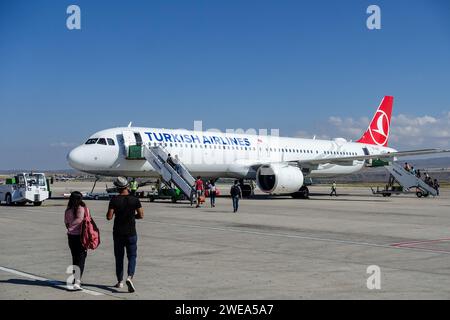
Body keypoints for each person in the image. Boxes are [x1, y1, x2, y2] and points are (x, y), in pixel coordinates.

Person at [107, 177, 144, 293]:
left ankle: (120, 282)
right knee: (132, 256)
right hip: (131, 232)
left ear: (117, 187)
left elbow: (109, 217)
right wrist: (133, 217)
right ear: (127, 186)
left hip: (118, 233)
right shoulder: (134, 199)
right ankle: (130, 277)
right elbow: (141, 215)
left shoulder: (114, 199)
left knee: (119, 257)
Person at [64, 191, 88, 291]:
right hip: (79, 236)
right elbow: (80, 219)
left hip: (71, 237)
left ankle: (75, 279)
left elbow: (66, 222)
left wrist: (69, 228)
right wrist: (73, 227)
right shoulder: (80, 208)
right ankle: (77, 281)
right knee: (81, 258)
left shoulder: (68, 209)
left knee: (75, 258)